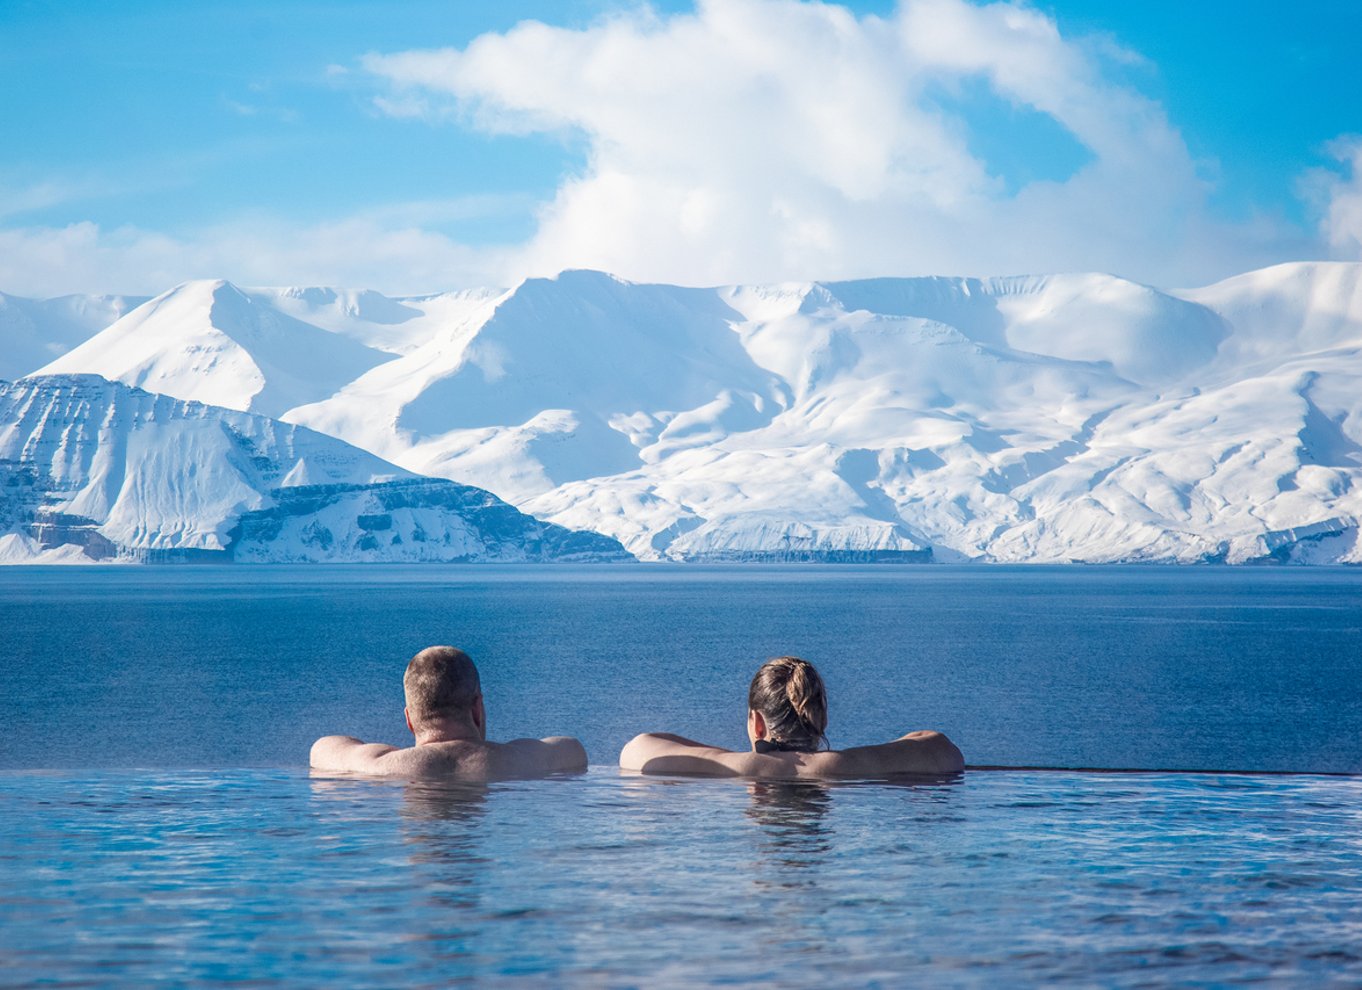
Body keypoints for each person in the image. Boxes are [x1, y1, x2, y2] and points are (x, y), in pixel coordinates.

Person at [619, 655, 963, 778]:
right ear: (820, 718)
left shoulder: (732, 767)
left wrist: (731, 754)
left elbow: (638, 747)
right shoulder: (850, 765)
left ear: (756, 721)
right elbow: (938, 745)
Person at [311, 646, 587, 779]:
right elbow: (573, 748)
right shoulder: (521, 760)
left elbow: (321, 748)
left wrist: (391, 754)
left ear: (409, 719)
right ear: (477, 708)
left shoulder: (378, 766)